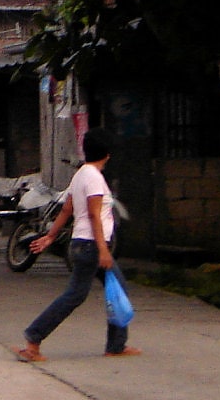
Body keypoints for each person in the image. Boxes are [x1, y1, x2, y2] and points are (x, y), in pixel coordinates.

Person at [15, 128, 141, 362]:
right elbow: (94, 216)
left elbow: (67, 209)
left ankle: (116, 344)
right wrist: (103, 250)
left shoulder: (81, 174)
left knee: (116, 288)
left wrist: (50, 236)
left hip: (83, 244)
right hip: (92, 245)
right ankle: (33, 338)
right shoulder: (93, 178)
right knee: (75, 295)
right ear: (107, 153)